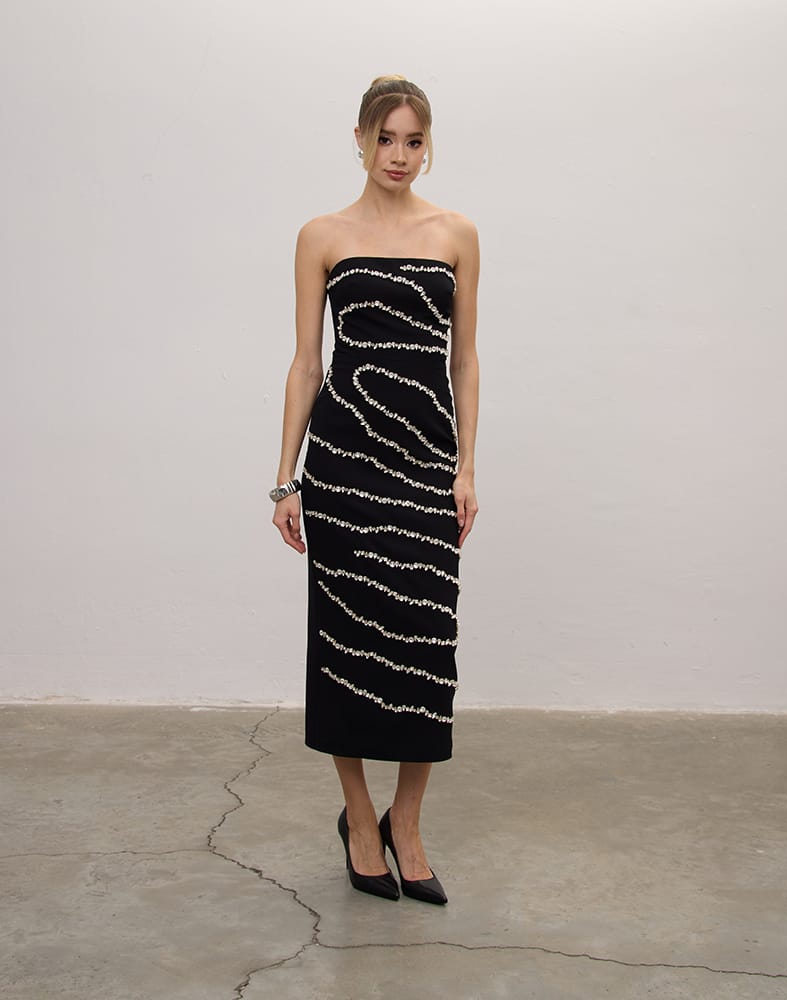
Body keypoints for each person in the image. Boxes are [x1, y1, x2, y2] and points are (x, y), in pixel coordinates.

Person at [271, 74, 479, 905]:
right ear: (359, 140)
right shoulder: (322, 235)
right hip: (344, 466)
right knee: (347, 645)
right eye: (385, 138)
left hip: (425, 465)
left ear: (428, 147)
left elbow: (464, 360)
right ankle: (360, 820)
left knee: (425, 643)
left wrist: (465, 468)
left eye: (413, 140)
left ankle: (409, 822)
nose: (399, 155)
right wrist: (285, 481)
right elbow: (306, 364)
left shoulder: (456, 233)